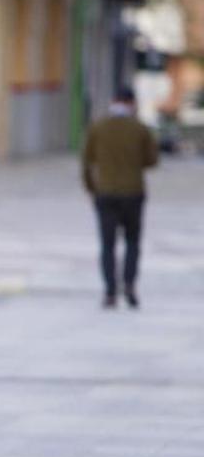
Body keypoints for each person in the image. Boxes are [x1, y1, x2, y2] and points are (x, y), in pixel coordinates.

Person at [82, 87, 159, 309]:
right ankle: (130, 284)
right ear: (132, 103)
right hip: (133, 192)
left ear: (113, 101)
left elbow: (87, 161)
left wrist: (91, 188)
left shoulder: (98, 127)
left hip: (105, 193)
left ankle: (109, 291)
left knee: (107, 244)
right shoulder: (140, 129)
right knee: (132, 242)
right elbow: (152, 160)